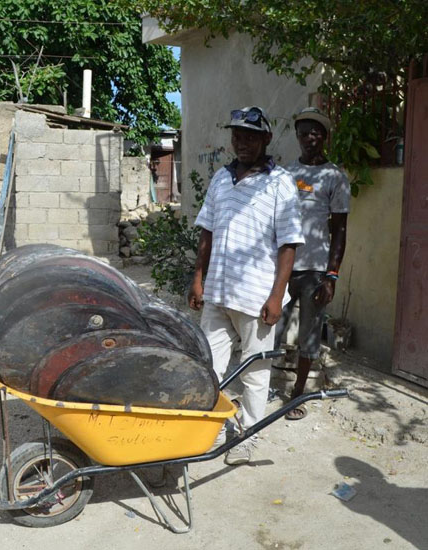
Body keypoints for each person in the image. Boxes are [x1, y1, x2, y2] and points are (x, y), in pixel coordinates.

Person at [188, 106, 304, 465]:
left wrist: (275, 296)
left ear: (266, 139)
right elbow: (207, 230)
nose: (242, 142)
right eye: (237, 136)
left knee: (254, 373)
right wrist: (197, 277)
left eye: (250, 136)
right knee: (210, 367)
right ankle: (216, 430)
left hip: (256, 298)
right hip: (218, 293)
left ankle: (249, 436)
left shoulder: (280, 183)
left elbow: (289, 244)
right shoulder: (221, 179)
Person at [274, 107, 350, 420]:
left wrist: (332, 276)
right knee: (271, 327)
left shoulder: (335, 177)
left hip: (316, 270)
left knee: (309, 333)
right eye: (304, 132)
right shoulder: (286, 174)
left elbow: (340, 229)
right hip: (282, 266)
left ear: (325, 137)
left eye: (316, 132)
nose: (310, 138)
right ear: (298, 136)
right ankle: (261, 383)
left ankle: (297, 394)